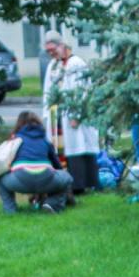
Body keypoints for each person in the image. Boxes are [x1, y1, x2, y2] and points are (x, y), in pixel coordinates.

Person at [0, 110, 73, 215]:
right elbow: (57, 166)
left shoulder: (15, 139)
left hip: (20, 180)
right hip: (46, 179)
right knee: (67, 178)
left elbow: (5, 163)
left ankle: (10, 209)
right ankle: (53, 204)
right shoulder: (45, 140)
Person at [56, 40, 100, 193]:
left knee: (78, 149)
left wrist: (75, 114)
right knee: (84, 147)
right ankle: (89, 182)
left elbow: (77, 91)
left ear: (65, 48)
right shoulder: (71, 64)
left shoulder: (74, 64)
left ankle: (79, 185)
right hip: (78, 113)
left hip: (77, 115)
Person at [40, 30, 65, 151]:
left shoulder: (72, 63)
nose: (51, 53)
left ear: (60, 45)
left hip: (67, 112)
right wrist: (46, 114)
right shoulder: (52, 65)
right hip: (55, 114)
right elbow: (47, 90)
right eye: (48, 51)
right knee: (56, 146)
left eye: (53, 49)